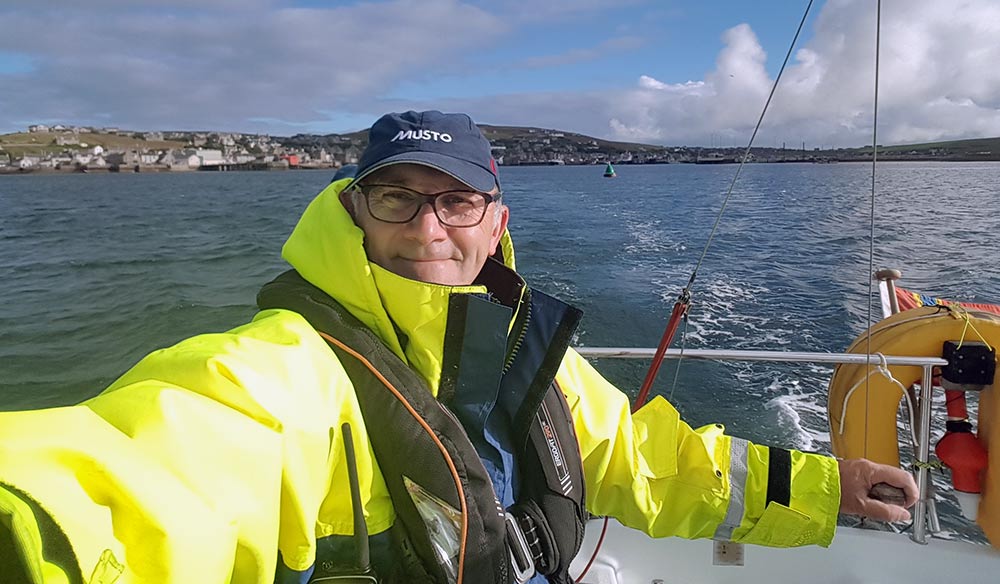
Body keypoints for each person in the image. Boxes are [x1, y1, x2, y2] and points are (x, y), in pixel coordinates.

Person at [0, 110, 917, 584]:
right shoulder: (284, 369)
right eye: (396, 196)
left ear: (495, 221)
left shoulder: (532, 352)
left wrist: (829, 487)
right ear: (354, 213)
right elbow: (156, 467)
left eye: (455, 200)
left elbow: (649, 460)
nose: (427, 225)